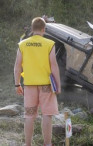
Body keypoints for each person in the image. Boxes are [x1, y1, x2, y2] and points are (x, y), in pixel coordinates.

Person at [14, 17, 61, 146]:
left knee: (29, 116)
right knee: (47, 114)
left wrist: (17, 83)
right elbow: (54, 66)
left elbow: (17, 66)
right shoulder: (49, 44)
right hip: (46, 85)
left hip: (29, 86)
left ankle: (27, 144)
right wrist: (58, 85)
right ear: (43, 29)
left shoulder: (23, 44)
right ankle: (47, 144)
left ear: (32, 28)